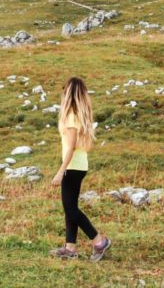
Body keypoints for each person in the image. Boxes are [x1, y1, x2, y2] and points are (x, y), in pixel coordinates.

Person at [49, 76, 111, 261]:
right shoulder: (78, 115)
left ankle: (99, 241)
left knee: (70, 208)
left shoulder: (70, 116)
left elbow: (71, 147)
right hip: (79, 165)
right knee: (70, 207)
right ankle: (70, 247)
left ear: (68, 92)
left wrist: (61, 171)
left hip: (72, 166)